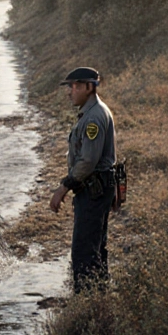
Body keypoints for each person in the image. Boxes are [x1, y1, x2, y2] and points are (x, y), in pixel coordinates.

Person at [49, 68, 117, 291]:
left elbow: (87, 161)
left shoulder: (94, 118)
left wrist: (63, 188)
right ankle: (98, 300)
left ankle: (88, 304)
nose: (70, 92)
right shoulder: (91, 113)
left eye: (75, 86)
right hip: (95, 190)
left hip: (93, 191)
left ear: (89, 87)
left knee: (84, 253)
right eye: (70, 86)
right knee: (96, 249)